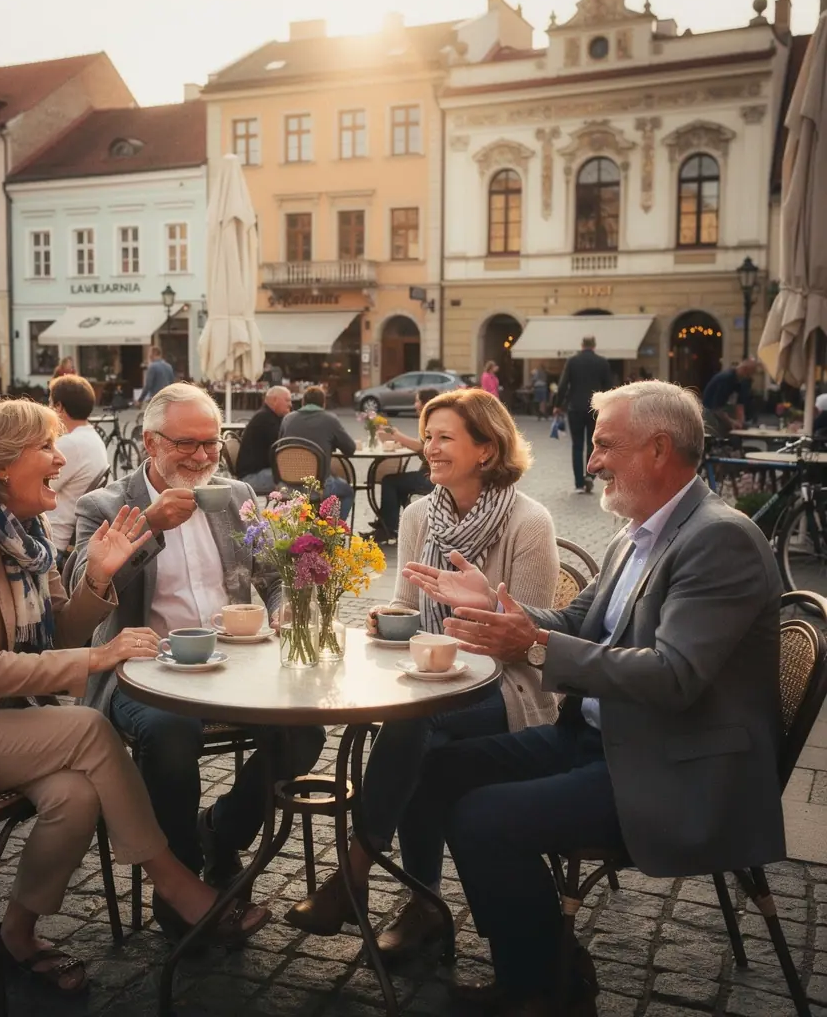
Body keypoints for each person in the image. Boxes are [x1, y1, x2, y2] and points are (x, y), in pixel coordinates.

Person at [0, 399, 270, 997]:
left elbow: (61, 630)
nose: (62, 459)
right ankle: (177, 883)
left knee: (75, 791)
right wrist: (100, 658)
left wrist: (99, 577)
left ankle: (18, 933)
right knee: (89, 730)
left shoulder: (19, 531)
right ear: (2, 464)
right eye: (46, 448)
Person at [402, 380, 784, 1016]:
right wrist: (498, 606)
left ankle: (539, 992)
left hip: (671, 768)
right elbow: (575, 622)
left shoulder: (719, 538)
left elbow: (674, 676)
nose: (592, 460)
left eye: (605, 444)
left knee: (483, 817)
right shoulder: (637, 531)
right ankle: (549, 957)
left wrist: (535, 646)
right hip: (599, 740)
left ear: (659, 449)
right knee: (439, 771)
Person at [286, 389, 559, 960]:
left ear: (487, 448)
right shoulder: (418, 515)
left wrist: (471, 620)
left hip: (506, 689)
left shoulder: (528, 523)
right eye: (427, 436)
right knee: (418, 735)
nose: (429, 448)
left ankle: (355, 879)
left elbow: (528, 645)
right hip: (431, 678)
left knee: (415, 724)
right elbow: (407, 608)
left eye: (444, 438)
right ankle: (423, 905)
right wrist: (386, 620)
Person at [72, 383, 325, 938]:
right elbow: (85, 597)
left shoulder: (233, 495)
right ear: (149, 442)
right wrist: (149, 529)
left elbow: (274, 577)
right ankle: (181, 889)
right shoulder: (105, 506)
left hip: (234, 667)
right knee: (170, 733)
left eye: (211, 444)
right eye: (187, 444)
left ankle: (220, 832)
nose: (202, 457)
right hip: (141, 672)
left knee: (306, 731)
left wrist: (284, 611)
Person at [365, 387, 438, 542]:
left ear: (425, 403)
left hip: (430, 477)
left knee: (390, 481)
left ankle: (388, 527)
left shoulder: (431, 422)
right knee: (396, 482)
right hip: (431, 474)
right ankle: (387, 526)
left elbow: (420, 447)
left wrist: (396, 435)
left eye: (417, 400)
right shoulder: (432, 420)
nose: (415, 405)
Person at [47, 375, 109, 555]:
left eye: (50, 403)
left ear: (59, 407)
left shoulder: (70, 444)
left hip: (53, 536)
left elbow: (36, 487)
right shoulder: (92, 437)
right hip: (72, 531)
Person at [279, 386, 356, 521]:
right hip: (319, 486)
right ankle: (333, 532)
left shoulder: (288, 419)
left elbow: (279, 447)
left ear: (303, 402)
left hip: (288, 484)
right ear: (324, 403)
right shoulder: (330, 420)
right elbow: (350, 449)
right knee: (347, 491)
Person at [553, 335, 614, 494]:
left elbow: (563, 385)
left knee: (577, 445)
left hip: (575, 408)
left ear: (582, 345)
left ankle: (579, 484)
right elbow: (609, 387)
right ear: (594, 345)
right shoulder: (602, 362)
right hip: (596, 409)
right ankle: (589, 475)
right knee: (593, 444)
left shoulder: (572, 361)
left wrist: (558, 405)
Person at [236, 385, 293, 494]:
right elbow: (282, 453)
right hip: (251, 478)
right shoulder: (266, 420)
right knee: (298, 479)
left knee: (298, 477)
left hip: (258, 473)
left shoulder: (268, 417)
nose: (290, 404)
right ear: (274, 400)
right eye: (287, 400)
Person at [702, 358, 759, 437]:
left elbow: (740, 404)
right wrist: (732, 422)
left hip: (723, 413)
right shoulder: (726, 379)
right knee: (717, 439)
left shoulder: (740, 381)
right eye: (749, 374)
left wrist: (740, 422)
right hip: (711, 414)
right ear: (744, 369)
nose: (750, 377)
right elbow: (717, 408)